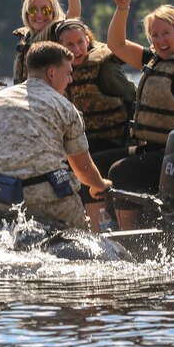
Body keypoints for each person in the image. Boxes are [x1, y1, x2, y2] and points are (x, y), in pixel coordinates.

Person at [0, 41, 112, 230]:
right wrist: (99, 185)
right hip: (53, 203)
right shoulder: (65, 107)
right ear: (51, 74)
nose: (70, 80)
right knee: (84, 240)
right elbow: (82, 169)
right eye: (68, 73)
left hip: (4, 201)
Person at [101, 0, 174, 228]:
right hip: (151, 148)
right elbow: (116, 44)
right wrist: (122, 8)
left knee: (120, 172)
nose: (159, 40)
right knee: (95, 165)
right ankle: (100, 230)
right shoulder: (152, 60)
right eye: (154, 36)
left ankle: (129, 237)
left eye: (165, 33)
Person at [55, 18, 136, 231]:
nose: (77, 49)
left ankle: (99, 231)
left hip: (113, 140)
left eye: (80, 42)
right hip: (82, 142)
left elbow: (131, 97)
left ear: (88, 40)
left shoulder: (104, 67)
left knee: (86, 167)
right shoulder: (58, 72)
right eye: (69, 45)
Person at [12, 0, 80, 84]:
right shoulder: (25, 38)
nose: (39, 15)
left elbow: (74, 15)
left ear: (53, 12)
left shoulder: (58, 32)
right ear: (26, 13)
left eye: (45, 10)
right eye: (33, 10)